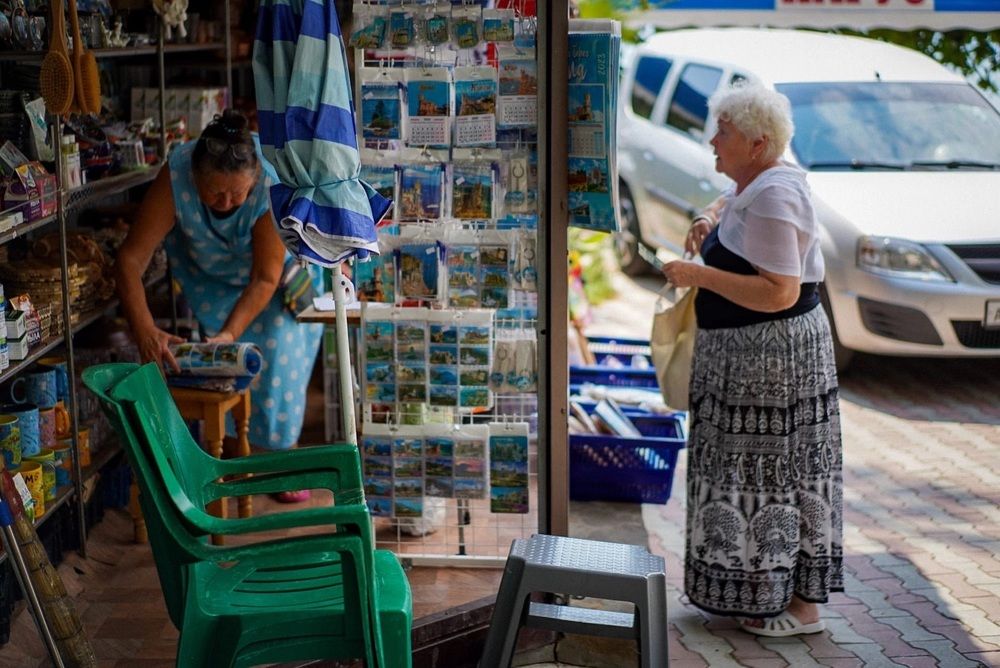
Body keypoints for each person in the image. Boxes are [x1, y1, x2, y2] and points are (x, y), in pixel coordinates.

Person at [661, 81, 843, 637]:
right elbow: (740, 198)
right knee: (747, 478)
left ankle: (798, 608)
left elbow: (780, 292)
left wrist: (697, 275)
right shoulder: (757, 183)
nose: (713, 139)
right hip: (747, 366)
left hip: (772, 366)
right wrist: (712, 214)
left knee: (775, 478)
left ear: (759, 144)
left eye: (725, 132)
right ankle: (752, 592)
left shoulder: (775, 193)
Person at [115, 109, 323, 503]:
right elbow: (129, 261)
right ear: (195, 177)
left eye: (236, 194)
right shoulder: (177, 174)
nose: (226, 203)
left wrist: (229, 333)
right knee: (219, 367)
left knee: (277, 352)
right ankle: (229, 457)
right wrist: (144, 331)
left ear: (254, 181)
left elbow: (264, 278)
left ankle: (277, 458)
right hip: (208, 274)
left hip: (273, 282)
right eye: (215, 193)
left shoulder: (268, 184)